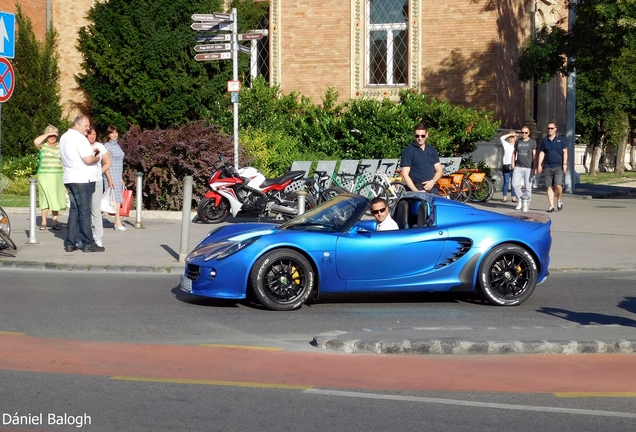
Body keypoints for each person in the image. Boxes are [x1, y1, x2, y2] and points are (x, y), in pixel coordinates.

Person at [59, 115, 105, 252]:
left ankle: (70, 243)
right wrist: (97, 157)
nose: (88, 128)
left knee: (74, 210)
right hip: (82, 179)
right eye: (86, 125)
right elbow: (88, 160)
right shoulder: (79, 138)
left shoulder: (64, 137)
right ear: (77, 125)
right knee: (85, 211)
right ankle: (88, 243)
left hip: (70, 178)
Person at [33, 125, 66, 231]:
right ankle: (43, 222)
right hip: (45, 175)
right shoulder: (43, 146)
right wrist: (48, 133)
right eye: (50, 135)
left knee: (55, 197)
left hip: (58, 175)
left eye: (54, 135)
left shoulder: (60, 146)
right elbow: (36, 142)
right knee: (45, 198)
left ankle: (55, 222)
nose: (52, 137)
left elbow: (63, 161)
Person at [400, 123, 443, 194]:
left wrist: (433, 181)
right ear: (414, 135)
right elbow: (405, 174)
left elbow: (439, 170)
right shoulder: (408, 151)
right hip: (417, 189)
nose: (420, 138)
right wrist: (417, 192)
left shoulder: (432, 150)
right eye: (417, 136)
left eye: (422, 136)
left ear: (427, 135)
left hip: (433, 188)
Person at [87, 125, 112, 247]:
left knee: (96, 210)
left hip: (96, 181)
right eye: (89, 134)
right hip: (84, 181)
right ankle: (86, 236)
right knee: (85, 210)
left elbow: (108, 163)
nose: (92, 136)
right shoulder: (82, 146)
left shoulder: (100, 146)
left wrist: (99, 172)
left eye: (94, 134)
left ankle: (98, 238)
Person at [538, 122, 568, 213]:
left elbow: (565, 152)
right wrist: (539, 164)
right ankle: (551, 206)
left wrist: (565, 163)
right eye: (548, 128)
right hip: (547, 166)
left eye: (551, 128)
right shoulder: (545, 140)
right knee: (549, 187)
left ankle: (559, 200)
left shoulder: (561, 139)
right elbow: (542, 153)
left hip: (558, 165)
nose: (550, 130)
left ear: (555, 129)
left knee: (558, 185)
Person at [103, 125, 127, 231]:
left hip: (117, 175)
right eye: (112, 133)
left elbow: (119, 162)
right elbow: (105, 163)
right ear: (108, 134)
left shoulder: (117, 145)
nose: (114, 135)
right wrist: (109, 179)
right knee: (112, 199)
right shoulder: (106, 146)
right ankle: (117, 222)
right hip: (111, 174)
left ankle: (117, 221)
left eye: (116, 132)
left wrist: (120, 178)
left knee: (115, 199)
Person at [511, 126, 537, 210]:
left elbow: (534, 155)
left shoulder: (532, 142)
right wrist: (512, 163)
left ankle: (527, 202)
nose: (524, 134)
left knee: (528, 186)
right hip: (518, 166)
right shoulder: (518, 141)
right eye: (522, 132)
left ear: (529, 133)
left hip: (528, 167)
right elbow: (514, 152)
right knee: (515, 184)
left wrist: (535, 166)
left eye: (526, 132)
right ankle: (521, 200)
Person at [499, 131, 518, 203]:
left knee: (514, 182)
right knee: (506, 181)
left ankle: (513, 197)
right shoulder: (506, 144)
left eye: (513, 137)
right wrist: (510, 134)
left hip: (515, 164)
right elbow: (501, 138)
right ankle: (505, 197)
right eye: (510, 137)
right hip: (507, 164)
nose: (511, 138)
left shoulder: (517, 145)